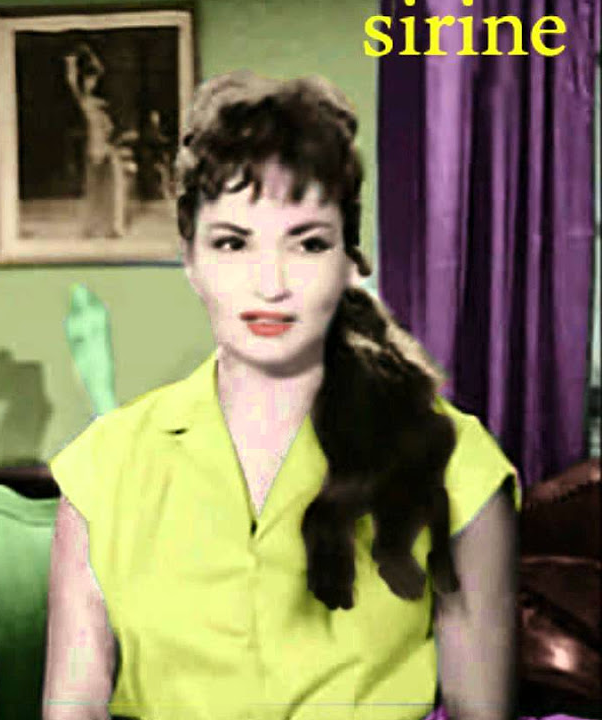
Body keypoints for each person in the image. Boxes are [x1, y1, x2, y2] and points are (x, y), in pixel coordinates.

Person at [43, 70, 519, 720]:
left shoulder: (459, 464)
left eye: (308, 243)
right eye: (233, 243)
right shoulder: (102, 469)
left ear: (350, 262)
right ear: (190, 260)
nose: (270, 284)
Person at [63, 42, 136, 240]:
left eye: (93, 79)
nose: (92, 82)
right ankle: (94, 227)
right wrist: (72, 65)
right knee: (96, 188)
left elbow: (98, 71)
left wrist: (90, 56)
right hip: (96, 150)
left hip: (106, 148)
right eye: (89, 80)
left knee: (111, 187)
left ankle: (111, 227)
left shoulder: (101, 106)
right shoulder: (88, 103)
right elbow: (74, 84)